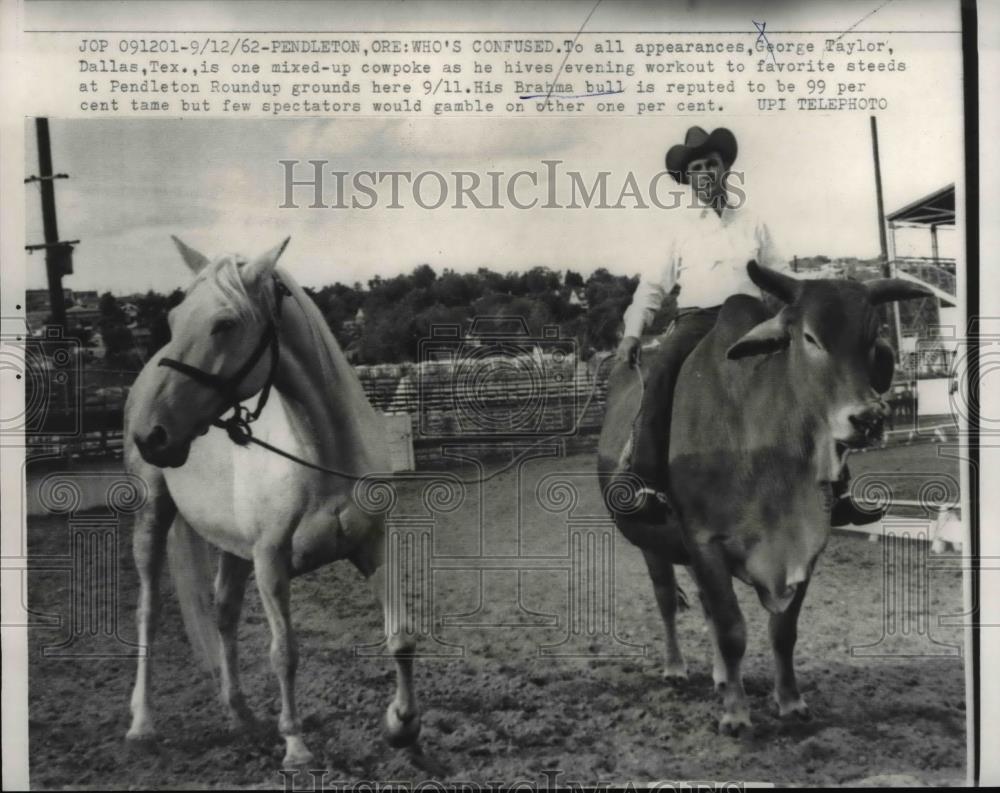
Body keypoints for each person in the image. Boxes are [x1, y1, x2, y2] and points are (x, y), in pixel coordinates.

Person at [613, 125, 883, 528]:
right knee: (662, 376)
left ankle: (839, 489)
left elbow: (782, 277)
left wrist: (822, 304)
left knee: (816, 375)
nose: (705, 173)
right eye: (696, 168)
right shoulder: (677, 230)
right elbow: (652, 288)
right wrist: (634, 331)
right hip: (697, 321)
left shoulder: (753, 223)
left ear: (724, 170)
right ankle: (647, 484)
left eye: (711, 164)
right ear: (688, 180)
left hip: (752, 319)